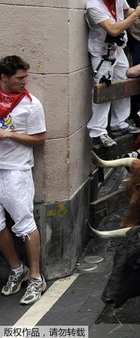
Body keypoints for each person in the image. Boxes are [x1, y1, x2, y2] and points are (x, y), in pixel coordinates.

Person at [0, 55, 47, 305]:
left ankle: (36, 277)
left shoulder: (31, 105)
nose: (24, 82)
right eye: (19, 78)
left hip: (15, 170)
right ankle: (17, 269)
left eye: (25, 77)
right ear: (4, 78)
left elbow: (40, 139)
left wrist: (9, 135)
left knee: (24, 223)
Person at [85, 0, 140, 148]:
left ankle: (119, 123)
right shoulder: (94, 6)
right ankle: (98, 131)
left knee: (124, 82)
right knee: (104, 89)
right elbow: (112, 29)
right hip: (102, 52)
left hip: (118, 48)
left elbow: (127, 11)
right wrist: (135, 15)